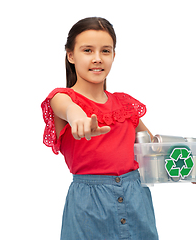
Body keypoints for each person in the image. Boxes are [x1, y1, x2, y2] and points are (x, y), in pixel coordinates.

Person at [41, 17, 159, 239]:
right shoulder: (62, 98)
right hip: (89, 207)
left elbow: (155, 152)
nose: (97, 59)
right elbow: (67, 108)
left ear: (114, 55)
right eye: (88, 50)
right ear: (71, 55)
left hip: (137, 200)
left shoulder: (125, 105)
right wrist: (77, 117)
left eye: (105, 51)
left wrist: (192, 167)